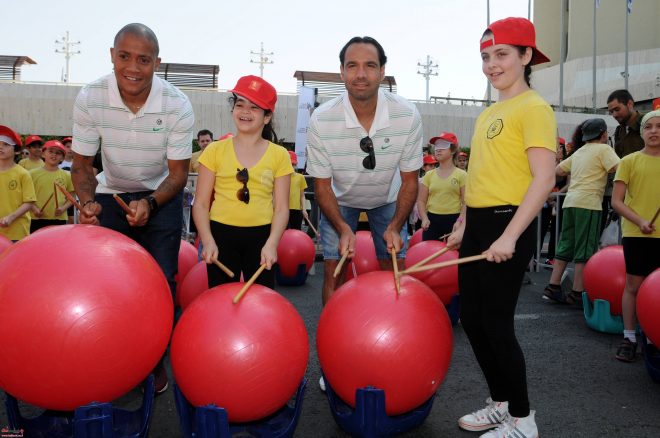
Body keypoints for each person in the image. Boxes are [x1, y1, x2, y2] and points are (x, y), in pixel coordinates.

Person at [447, 17, 557, 438]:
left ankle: (524, 420)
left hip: (508, 222)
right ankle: (502, 403)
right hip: (478, 224)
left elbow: (544, 179)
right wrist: (463, 223)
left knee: (496, 324)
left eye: (502, 54)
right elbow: (478, 175)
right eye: (485, 56)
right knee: (473, 320)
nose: (491, 65)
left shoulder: (534, 108)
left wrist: (509, 235)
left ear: (526, 56)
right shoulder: (489, 113)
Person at [71, 23, 194, 394]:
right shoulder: (90, 97)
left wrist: (150, 203)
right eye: (124, 56)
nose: (133, 68)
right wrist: (88, 202)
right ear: (112, 55)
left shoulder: (177, 103)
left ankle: (154, 361)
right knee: (107, 284)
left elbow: (178, 174)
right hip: (110, 194)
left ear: (157, 62)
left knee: (160, 281)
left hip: (161, 195)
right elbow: (82, 165)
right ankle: (111, 356)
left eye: (144, 59)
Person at [306, 36, 423, 306]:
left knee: (395, 268)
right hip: (339, 199)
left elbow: (409, 180)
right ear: (342, 71)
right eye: (352, 66)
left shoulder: (407, 114)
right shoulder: (321, 119)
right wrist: (342, 228)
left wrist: (396, 226)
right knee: (333, 271)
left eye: (370, 65)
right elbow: (322, 186)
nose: (360, 74)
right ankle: (333, 328)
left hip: (388, 198)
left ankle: (397, 325)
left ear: (382, 71)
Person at [193, 75, 292, 289]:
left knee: (261, 300)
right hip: (220, 235)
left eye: (254, 107)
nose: (245, 111)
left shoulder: (280, 155)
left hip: (262, 236)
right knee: (220, 298)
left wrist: (272, 243)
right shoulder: (214, 150)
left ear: (267, 117)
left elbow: (282, 208)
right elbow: (200, 203)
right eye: (240, 104)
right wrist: (207, 240)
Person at [543, 118, 620, 305]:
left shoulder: (579, 152)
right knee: (585, 248)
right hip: (589, 203)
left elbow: (558, 170)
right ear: (603, 134)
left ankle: (553, 286)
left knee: (566, 243)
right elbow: (620, 168)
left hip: (570, 202)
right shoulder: (604, 149)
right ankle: (577, 293)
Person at [611, 109, 660, 362]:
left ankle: (652, 336)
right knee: (633, 286)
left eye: (659, 126)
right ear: (642, 132)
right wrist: (640, 221)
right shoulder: (629, 161)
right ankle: (629, 337)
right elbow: (616, 201)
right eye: (649, 126)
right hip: (636, 233)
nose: (654, 131)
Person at [417, 132, 466, 241]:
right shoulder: (429, 175)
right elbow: (421, 201)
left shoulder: (462, 175)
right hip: (432, 221)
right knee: (429, 251)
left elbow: (465, 202)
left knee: (453, 251)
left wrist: (460, 221)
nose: (438, 149)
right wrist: (424, 218)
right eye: (436, 146)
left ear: (453, 150)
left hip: (454, 220)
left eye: (443, 145)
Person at [0, 125, 36, 241]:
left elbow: (29, 202)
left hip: (17, 232)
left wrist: (11, 217)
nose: (1, 147)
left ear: (17, 151)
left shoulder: (23, 174)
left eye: (6, 144)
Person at [29, 140, 74, 232]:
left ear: (62, 158)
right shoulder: (31, 174)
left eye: (58, 153)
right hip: (36, 217)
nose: (54, 155)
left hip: (59, 218)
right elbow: (27, 196)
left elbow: (72, 196)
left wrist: (63, 208)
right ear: (43, 154)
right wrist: (34, 208)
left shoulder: (67, 175)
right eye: (51, 151)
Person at [607, 89, 645, 158]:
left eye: (617, 109)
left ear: (630, 104)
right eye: (611, 112)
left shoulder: (647, 123)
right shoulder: (619, 131)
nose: (614, 115)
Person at [287, 150, 309, 230]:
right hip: (283, 210)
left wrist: (304, 209)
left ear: (296, 164)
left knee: (296, 231)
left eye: (293, 164)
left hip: (296, 210)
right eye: (289, 164)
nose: (291, 167)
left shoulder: (300, 177)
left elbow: (302, 195)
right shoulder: (280, 177)